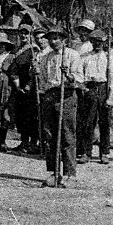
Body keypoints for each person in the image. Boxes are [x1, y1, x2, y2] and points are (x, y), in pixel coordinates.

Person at [37, 25, 83, 187]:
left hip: (67, 96)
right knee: (50, 134)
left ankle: (70, 173)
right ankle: (54, 172)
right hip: (50, 95)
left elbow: (79, 78)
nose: (53, 41)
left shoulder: (73, 55)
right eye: (50, 38)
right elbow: (43, 79)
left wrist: (68, 75)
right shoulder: (45, 57)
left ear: (64, 40)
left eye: (56, 38)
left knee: (67, 134)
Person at [77, 30, 113, 164]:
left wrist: (111, 96)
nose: (97, 44)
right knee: (88, 122)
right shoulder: (84, 57)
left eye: (100, 42)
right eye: (95, 42)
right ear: (91, 42)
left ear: (104, 43)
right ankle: (86, 152)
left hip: (103, 89)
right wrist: (83, 87)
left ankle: (104, 153)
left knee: (104, 123)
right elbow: (79, 75)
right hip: (89, 89)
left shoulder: (108, 57)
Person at [9, 26, 44, 153]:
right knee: (21, 114)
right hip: (19, 85)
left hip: (31, 86)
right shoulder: (16, 49)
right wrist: (18, 86)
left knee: (32, 115)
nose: (23, 36)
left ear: (30, 35)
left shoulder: (34, 50)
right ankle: (24, 141)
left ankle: (33, 142)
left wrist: (29, 85)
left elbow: (34, 71)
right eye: (21, 33)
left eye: (26, 33)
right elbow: (14, 69)